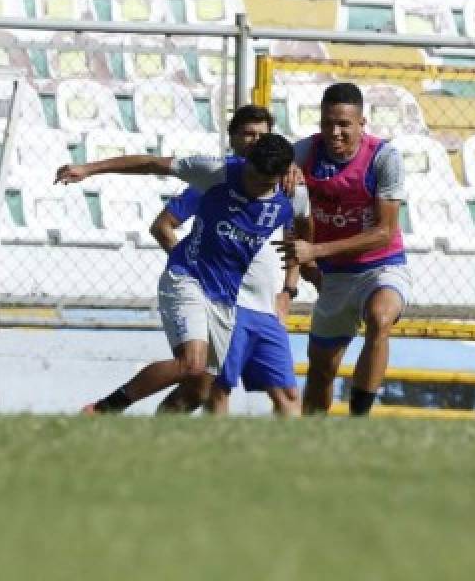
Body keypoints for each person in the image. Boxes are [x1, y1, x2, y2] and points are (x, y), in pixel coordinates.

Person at [55, 134, 297, 415]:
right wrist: (88, 169)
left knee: (200, 388)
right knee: (191, 363)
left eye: (264, 183)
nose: (253, 186)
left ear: (281, 176)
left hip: (225, 297)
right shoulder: (217, 171)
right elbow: (151, 163)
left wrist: (293, 280)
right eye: (252, 175)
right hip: (188, 277)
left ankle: (160, 441)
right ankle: (102, 410)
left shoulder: (292, 197)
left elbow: (304, 228)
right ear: (247, 161)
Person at [151, 105, 309, 417]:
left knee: (288, 393)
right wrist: (194, 270)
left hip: (266, 306)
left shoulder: (284, 185)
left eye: (261, 135)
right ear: (233, 138)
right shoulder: (216, 180)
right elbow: (163, 226)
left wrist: (289, 289)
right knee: (215, 388)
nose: (254, 141)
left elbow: (300, 236)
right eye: (247, 134)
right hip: (226, 300)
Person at [276, 82, 412, 417]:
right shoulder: (302, 154)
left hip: (380, 265)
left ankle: (358, 418)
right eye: (327, 124)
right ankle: (311, 437)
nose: (334, 133)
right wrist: (302, 267)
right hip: (334, 275)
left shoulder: (384, 158)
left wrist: (315, 251)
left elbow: (383, 232)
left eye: (343, 125)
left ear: (361, 123)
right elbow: (289, 213)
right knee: (322, 370)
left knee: (380, 319)